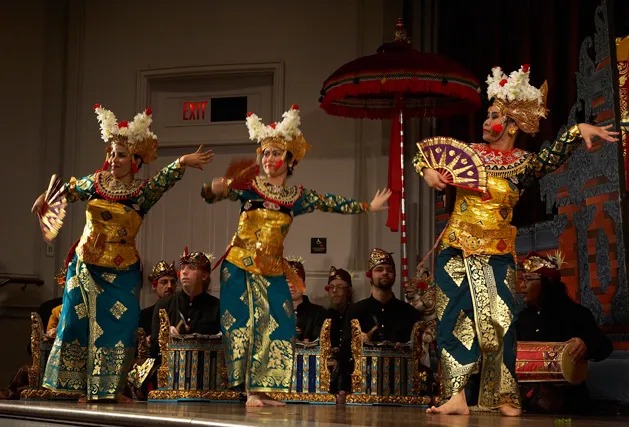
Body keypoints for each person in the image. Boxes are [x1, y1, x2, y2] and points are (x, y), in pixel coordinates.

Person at [414, 65, 619, 416]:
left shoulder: (522, 163)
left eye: (492, 116)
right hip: (458, 249)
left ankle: (505, 395)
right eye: (487, 114)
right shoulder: (469, 153)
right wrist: (429, 171)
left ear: (510, 125)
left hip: (497, 252)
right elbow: (423, 156)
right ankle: (456, 394)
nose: (484, 120)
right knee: (454, 321)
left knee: (502, 321)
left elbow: (549, 157)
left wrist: (575, 131)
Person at [201, 104, 391, 407]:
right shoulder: (249, 187)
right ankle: (251, 390)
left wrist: (367, 206)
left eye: (277, 154)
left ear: (290, 161)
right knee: (250, 324)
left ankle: (266, 388)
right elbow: (215, 194)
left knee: (282, 324)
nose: (269, 159)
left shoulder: (296, 197)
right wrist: (214, 188)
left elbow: (331, 202)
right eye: (265, 153)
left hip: (273, 268)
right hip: (241, 265)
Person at [31, 105, 213, 403]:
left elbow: (163, 181)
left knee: (121, 327)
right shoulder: (94, 183)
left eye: (122, 155)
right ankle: (72, 388)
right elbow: (66, 191)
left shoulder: (142, 192)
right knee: (77, 322)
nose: (114, 160)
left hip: (123, 270)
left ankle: (107, 390)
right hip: (86, 266)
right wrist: (45, 198)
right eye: (112, 154)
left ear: (136, 161)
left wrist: (182, 161)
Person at [516, 252, 613, 414]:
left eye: (528, 279)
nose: (522, 286)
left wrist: (585, 344)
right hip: (531, 402)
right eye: (522, 279)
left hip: (570, 404)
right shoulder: (523, 318)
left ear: (547, 283)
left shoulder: (576, 313)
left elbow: (605, 346)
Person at [150, 248, 220, 357]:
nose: (184, 272)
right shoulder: (164, 304)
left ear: (205, 275)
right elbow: (154, 348)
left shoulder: (216, 307)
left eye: (191, 268)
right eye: (182, 268)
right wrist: (165, 337)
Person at [345, 248, 420, 345]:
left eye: (389, 270)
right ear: (370, 275)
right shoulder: (355, 311)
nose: (385, 273)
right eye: (379, 269)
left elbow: (417, 350)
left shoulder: (409, 312)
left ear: (395, 275)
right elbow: (345, 351)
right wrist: (357, 343)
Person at [325, 266, 353, 403]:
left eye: (340, 287)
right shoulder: (323, 316)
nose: (334, 291)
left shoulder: (356, 315)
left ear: (349, 290)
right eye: (331, 287)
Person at [286, 258, 328, 342]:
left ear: (304, 285)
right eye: (287, 281)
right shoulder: (272, 313)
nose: (291, 285)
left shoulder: (319, 313)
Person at [140, 260, 177, 341]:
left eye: (173, 282)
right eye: (164, 282)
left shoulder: (180, 312)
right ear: (154, 285)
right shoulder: (144, 315)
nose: (169, 286)